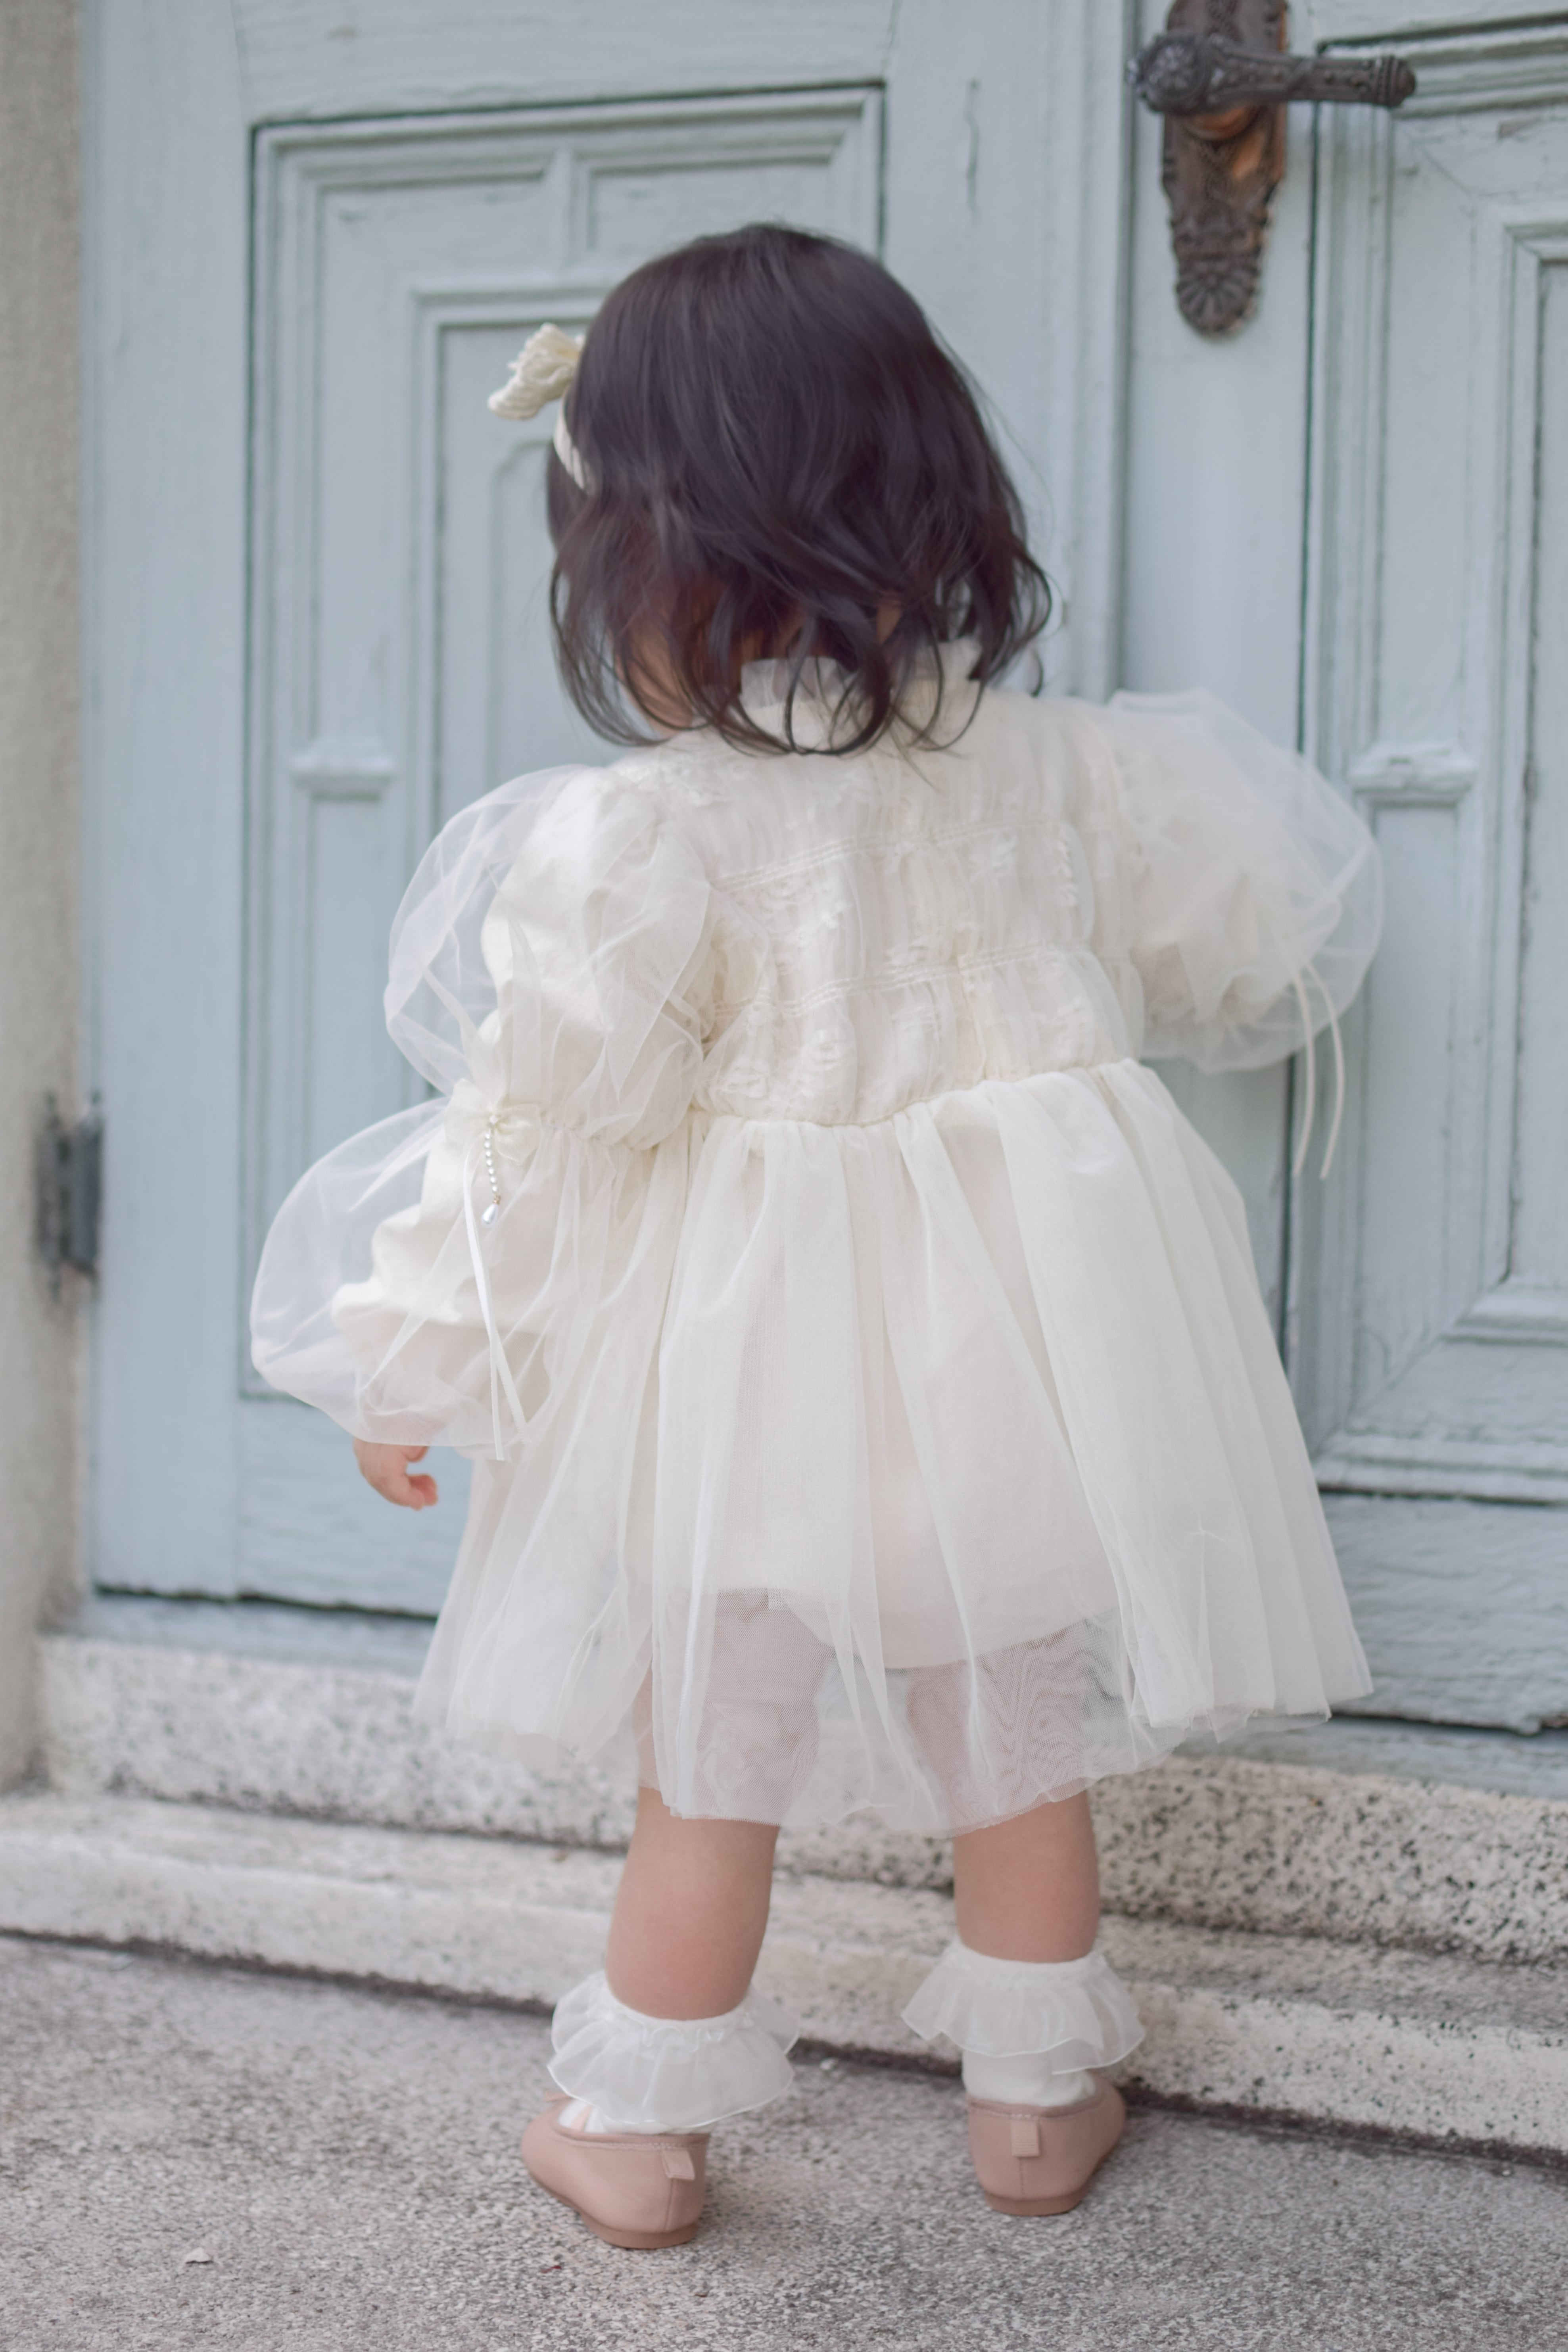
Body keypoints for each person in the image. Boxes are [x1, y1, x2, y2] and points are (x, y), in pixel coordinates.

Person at [251, 224, 1382, 2250]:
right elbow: (1239, 938)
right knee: (1016, 1746)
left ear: (639, 549)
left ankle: (633, 2126)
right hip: (1030, 1368)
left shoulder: (648, 831)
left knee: (708, 1769)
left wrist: (414, 1357)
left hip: (744, 1387)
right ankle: (1035, 2104)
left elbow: (535, 1128)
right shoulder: (1065, 775)